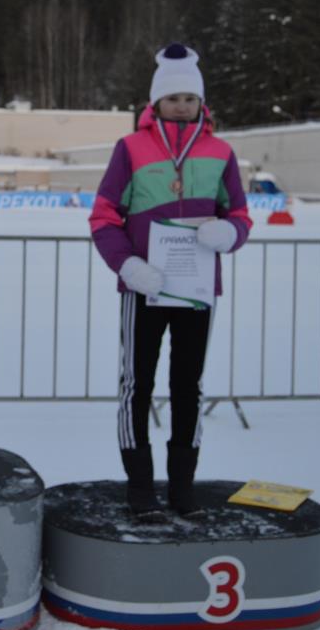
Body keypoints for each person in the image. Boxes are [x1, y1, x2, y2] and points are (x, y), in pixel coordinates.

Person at [88, 43, 252, 518]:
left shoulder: (221, 152)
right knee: (136, 385)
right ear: (155, 101)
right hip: (145, 286)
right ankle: (140, 487)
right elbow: (103, 216)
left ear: (202, 102)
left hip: (197, 293)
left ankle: (182, 488)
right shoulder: (130, 148)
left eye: (190, 98)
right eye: (173, 97)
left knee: (188, 386)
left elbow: (238, 212)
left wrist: (231, 232)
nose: (182, 106)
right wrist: (126, 265)